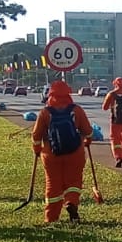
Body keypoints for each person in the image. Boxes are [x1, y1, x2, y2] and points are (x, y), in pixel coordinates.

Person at [31, 80, 92, 223]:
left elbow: (36, 136)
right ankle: (71, 202)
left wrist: (37, 149)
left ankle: (51, 218)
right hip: (75, 152)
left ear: (50, 94)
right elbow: (88, 131)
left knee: (53, 184)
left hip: (51, 154)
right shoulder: (76, 110)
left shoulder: (45, 112)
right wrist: (87, 141)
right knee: (74, 181)